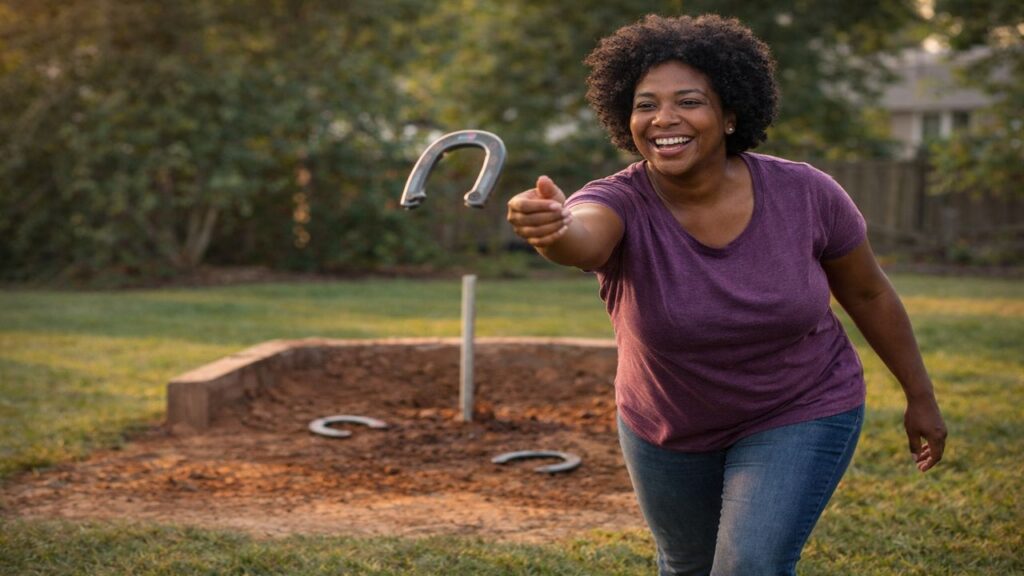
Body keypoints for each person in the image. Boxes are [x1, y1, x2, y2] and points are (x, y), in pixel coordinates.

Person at [506, 14, 947, 576]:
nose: (664, 118)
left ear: (730, 115)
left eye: (689, 101)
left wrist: (920, 394)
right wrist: (552, 227)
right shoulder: (617, 200)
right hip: (667, 421)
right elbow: (584, 240)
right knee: (687, 565)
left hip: (800, 406)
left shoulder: (806, 193)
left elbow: (868, 294)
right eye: (645, 104)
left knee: (749, 566)